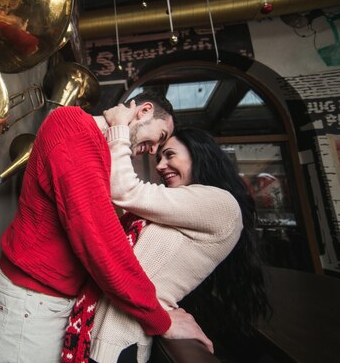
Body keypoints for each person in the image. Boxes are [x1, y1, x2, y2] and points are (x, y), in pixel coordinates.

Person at [0, 92, 211, 363]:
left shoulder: (99, 149)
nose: (152, 151)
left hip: (45, 302)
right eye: (160, 137)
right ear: (145, 110)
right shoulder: (73, 125)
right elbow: (100, 242)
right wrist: (162, 321)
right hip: (30, 302)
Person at [86, 119, 270, 363]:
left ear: (199, 155)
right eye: (159, 158)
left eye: (170, 155)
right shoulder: (183, 205)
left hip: (119, 342)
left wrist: (119, 127)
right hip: (100, 333)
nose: (161, 166)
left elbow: (124, 190)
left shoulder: (220, 204)